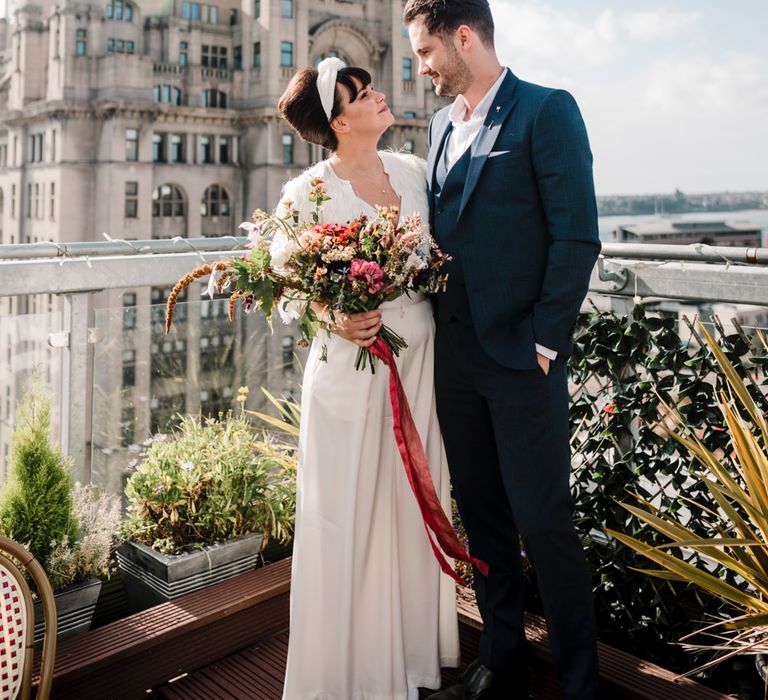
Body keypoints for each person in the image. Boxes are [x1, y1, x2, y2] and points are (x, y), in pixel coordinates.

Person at [403, 0, 602, 698]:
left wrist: (544, 346)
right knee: (483, 519)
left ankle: (581, 684)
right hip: (457, 364)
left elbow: (577, 238)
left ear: (464, 38)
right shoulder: (436, 127)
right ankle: (500, 661)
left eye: (426, 53)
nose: (421, 68)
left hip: (523, 364)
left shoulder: (547, 111)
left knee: (545, 527)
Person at [276, 58, 460, 700]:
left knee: (409, 504)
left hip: (418, 362)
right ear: (337, 120)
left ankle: (408, 658)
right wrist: (334, 311)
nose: (380, 95)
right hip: (351, 372)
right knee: (349, 511)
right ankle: (350, 671)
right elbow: (286, 282)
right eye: (363, 93)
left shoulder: (412, 173)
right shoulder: (308, 192)